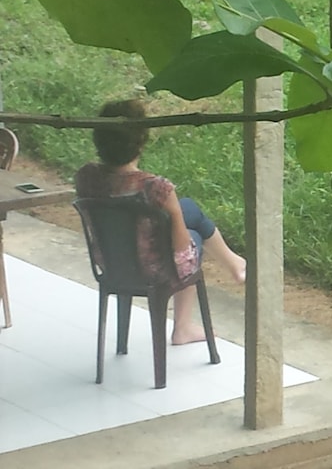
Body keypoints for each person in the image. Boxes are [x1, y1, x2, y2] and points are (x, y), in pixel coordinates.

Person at [75, 99, 246, 345]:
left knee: (188, 209)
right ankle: (183, 327)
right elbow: (182, 251)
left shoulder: (86, 177)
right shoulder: (155, 189)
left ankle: (233, 262)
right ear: (141, 143)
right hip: (153, 271)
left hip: (111, 264)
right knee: (192, 227)